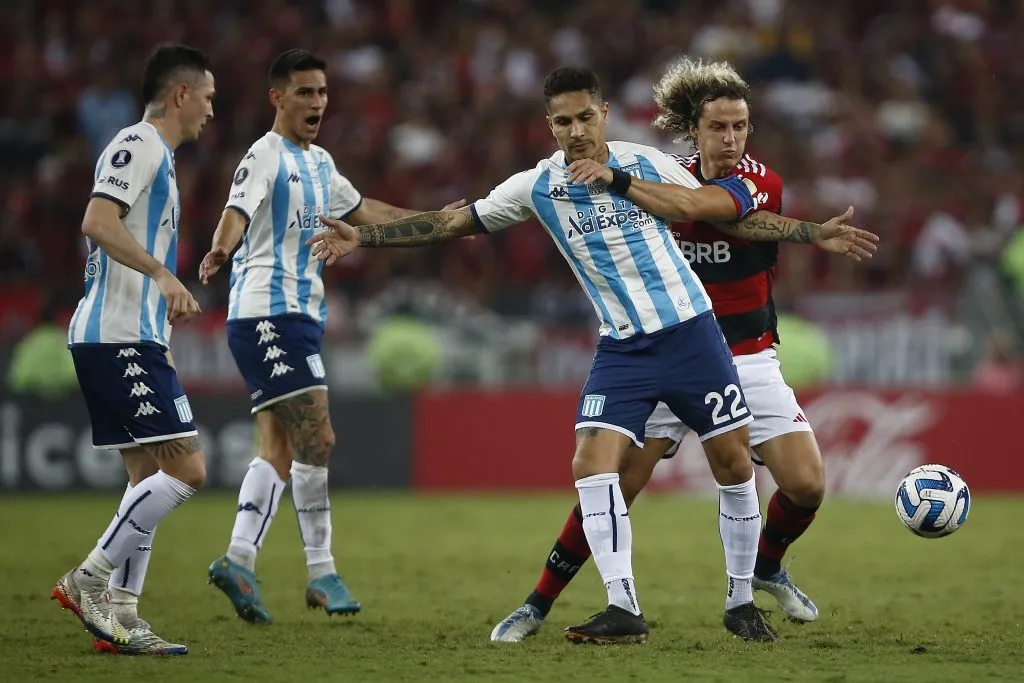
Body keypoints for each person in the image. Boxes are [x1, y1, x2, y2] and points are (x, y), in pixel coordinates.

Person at [307, 66, 876, 644]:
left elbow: (704, 204)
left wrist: (802, 231)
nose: (576, 129)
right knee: (591, 467)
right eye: (564, 120)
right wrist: (368, 237)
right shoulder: (537, 186)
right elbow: (457, 220)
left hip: (692, 333)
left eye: (586, 116)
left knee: (733, 465)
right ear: (549, 125)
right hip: (624, 346)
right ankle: (620, 607)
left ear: (603, 114)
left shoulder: (645, 162)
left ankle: (740, 600)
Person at [490, 57, 860, 644]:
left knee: (807, 484)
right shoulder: (663, 177)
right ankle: (539, 600)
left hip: (747, 356)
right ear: (695, 131)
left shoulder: (757, 181)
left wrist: (812, 231)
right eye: (719, 127)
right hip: (672, 348)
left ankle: (764, 570)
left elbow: (717, 215)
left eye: (741, 126)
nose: (732, 138)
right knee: (615, 482)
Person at [199, 49, 464, 624]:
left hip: (298, 318)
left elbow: (368, 210)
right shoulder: (265, 155)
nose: (317, 102)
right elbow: (236, 209)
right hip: (266, 314)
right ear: (278, 98)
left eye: (322, 92)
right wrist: (222, 246)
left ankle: (240, 559)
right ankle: (321, 572)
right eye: (304, 93)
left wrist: (438, 223)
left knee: (279, 445)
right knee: (317, 438)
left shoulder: (321, 163)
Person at [51, 44, 216, 656]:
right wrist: (165, 276)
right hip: (114, 335)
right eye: (206, 97)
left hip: (133, 336)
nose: (209, 111)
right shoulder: (140, 143)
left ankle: (121, 617)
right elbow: (97, 220)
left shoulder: (163, 161)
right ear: (179, 94)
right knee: (187, 470)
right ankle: (88, 580)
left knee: (145, 478)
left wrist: (161, 335)